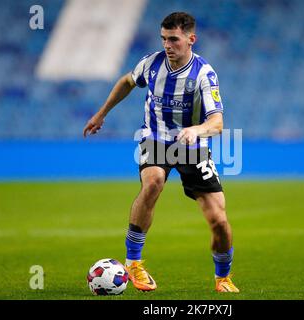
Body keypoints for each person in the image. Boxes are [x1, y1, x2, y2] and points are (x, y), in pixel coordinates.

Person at [83, 12, 239, 293]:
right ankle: (134, 261)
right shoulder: (152, 63)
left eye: (174, 39)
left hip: (192, 147)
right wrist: (102, 113)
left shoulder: (204, 74)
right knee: (153, 181)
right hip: (155, 138)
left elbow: (217, 122)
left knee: (219, 220)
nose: (168, 45)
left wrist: (195, 130)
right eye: (164, 39)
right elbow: (128, 82)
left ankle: (223, 277)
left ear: (191, 39)